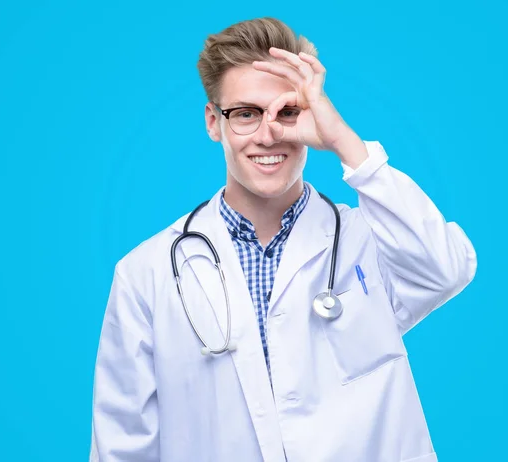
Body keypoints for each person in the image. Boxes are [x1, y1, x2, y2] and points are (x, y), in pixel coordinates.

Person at [90, 16, 477, 462]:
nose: (268, 133)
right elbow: (122, 443)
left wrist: (345, 142)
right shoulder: (146, 273)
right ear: (213, 122)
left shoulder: (371, 240)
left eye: (287, 112)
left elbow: (445, 270)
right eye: (246, 114)